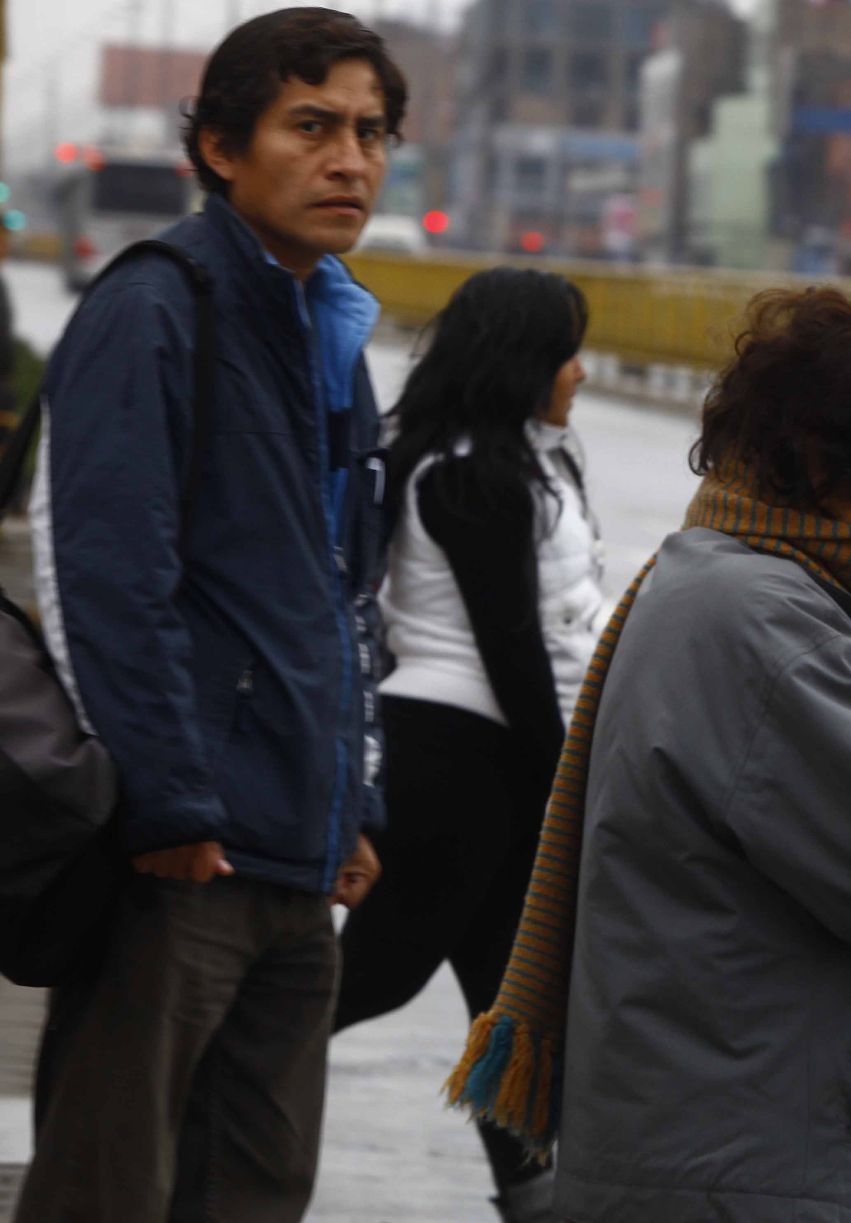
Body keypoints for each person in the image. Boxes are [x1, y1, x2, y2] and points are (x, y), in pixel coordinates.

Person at [443, 287, 851, 1223]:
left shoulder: (728, 580)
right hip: (750, 1170)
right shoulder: (764, 626)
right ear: (830, 476)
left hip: (734, 1151)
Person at [20, 10, 404, 1219]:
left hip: (301, 852)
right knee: (110, 1184)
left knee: (253, 1187)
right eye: (314, 127)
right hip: (185, 855)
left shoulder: (331, 334)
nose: (352, 160)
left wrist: (359, 801)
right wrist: (169, 799)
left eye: (373, 132)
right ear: (223, 149)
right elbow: (104, 574)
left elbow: (350, 602)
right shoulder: (159, 307)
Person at [333, 267, 602, 1223]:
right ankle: (210, 1083)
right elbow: (514, 657)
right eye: (565, 350)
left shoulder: (520, 458)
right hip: (460, 764)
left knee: (505, 1001)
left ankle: (535, 1193)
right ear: (523, 361)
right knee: (373, 976)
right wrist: (565, 783)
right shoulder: (468, 475)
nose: (580, 370)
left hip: (484, 760)